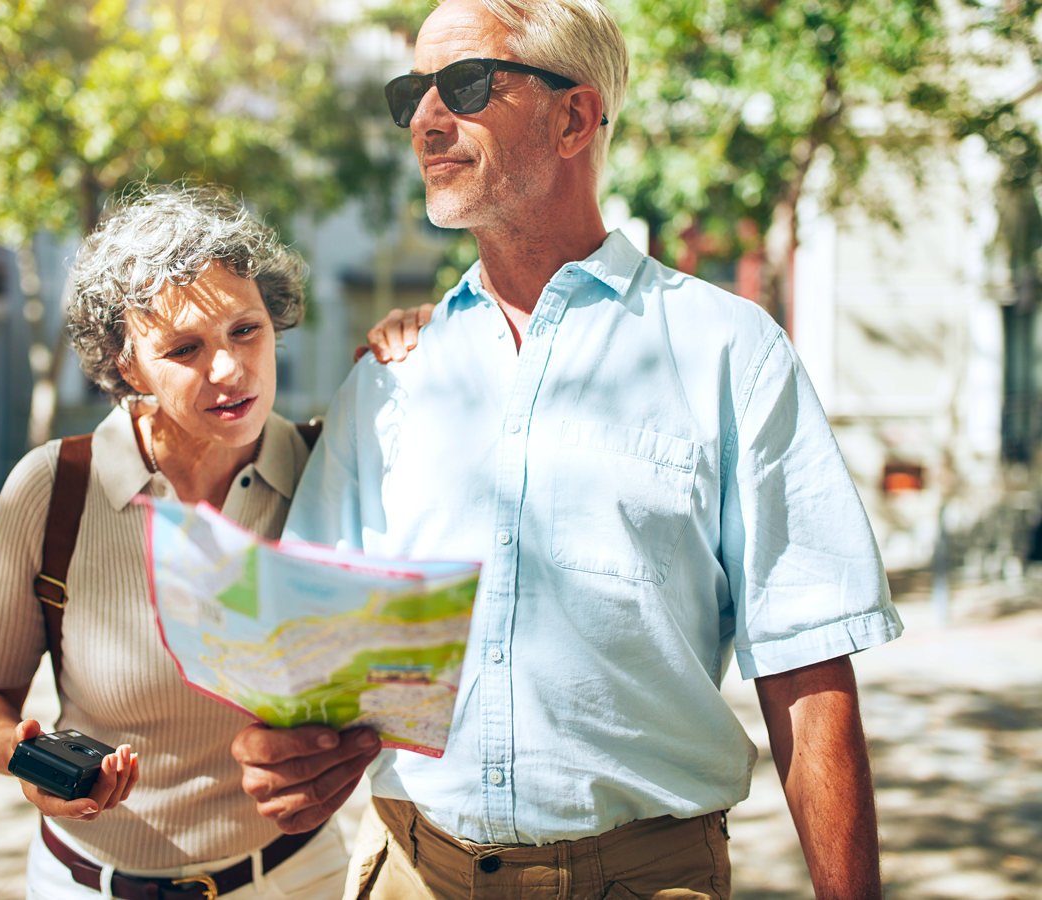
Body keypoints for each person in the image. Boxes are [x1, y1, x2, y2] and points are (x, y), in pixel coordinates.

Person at [231, 2, 904, 898]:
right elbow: (319, 644)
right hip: (408, 865)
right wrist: (296, 748)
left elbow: (809, 674)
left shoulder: (728, 353)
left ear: (574, 117)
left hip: (644, 875)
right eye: (411, 95)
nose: (427, 120)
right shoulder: (392, 374)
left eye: (464, 85)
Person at [0, 184, 427, 900]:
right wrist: (27, 763)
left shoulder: (335, 471)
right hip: (85, 884)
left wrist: (435, 336)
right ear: (127, 364)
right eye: (184, 348)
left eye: (246, 330)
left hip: (296, 880)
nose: (229, 370)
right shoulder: (53, 490)